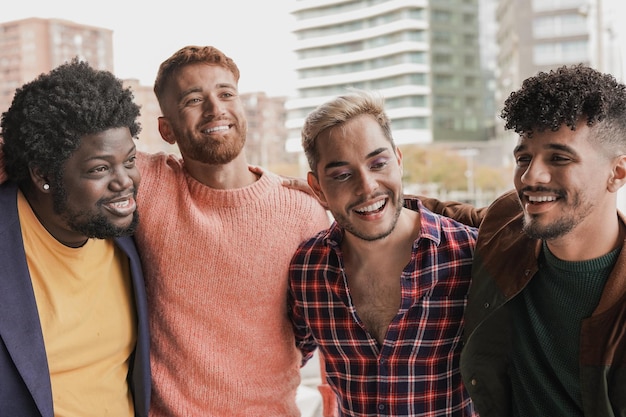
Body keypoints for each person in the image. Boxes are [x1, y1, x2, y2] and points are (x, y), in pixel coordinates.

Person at [133, 46, 331, 416]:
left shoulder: (303, 210)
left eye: (226, 94)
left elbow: (308, 332)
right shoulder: (149, 184)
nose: (215, 108)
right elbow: (68, 153)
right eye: (194, 99)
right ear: (167, 129)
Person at [420, 64, 626, 417]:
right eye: (524, 158)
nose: (531, 177)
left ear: (617, 173)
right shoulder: (507, 224)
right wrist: (353, 195)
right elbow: (447, 213)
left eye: (559, 158)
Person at [288, 89, 478, 416]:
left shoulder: (469, 255)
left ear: (399, 160)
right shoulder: (307, 270)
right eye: (342, 175)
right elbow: (275, 363)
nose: (367, 187)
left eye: (378, 163)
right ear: (317, 187)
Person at [0, 60, 150, 416]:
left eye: (129, 160)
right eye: (99, 168)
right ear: (42, 175)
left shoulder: (121, 228)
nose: (124, 182)